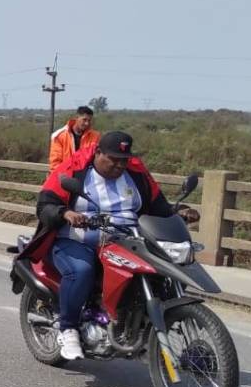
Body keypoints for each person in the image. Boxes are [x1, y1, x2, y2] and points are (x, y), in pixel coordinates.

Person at [27, 131, 199, 360]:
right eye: (114, 159)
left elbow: (159, 207)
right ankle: (67, 328)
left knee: (163, 269)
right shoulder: (75, 171)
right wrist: (66, 212)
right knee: (81, 271)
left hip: (127, 240)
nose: (120, 165)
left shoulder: (136, 176)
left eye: (124, 160)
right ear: (98, 153)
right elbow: (45, 206)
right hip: (76, 239)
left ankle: (138, 323)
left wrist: (179, 212)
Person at [49, 106, 99, 171]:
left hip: (87, 177)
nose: (87, 123)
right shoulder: (59, 136)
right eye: (84, 120)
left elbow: (97, 159)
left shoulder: (95, 136)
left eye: (89, 120)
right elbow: (55, 163)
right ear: (76, 118)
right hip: (64, 176)